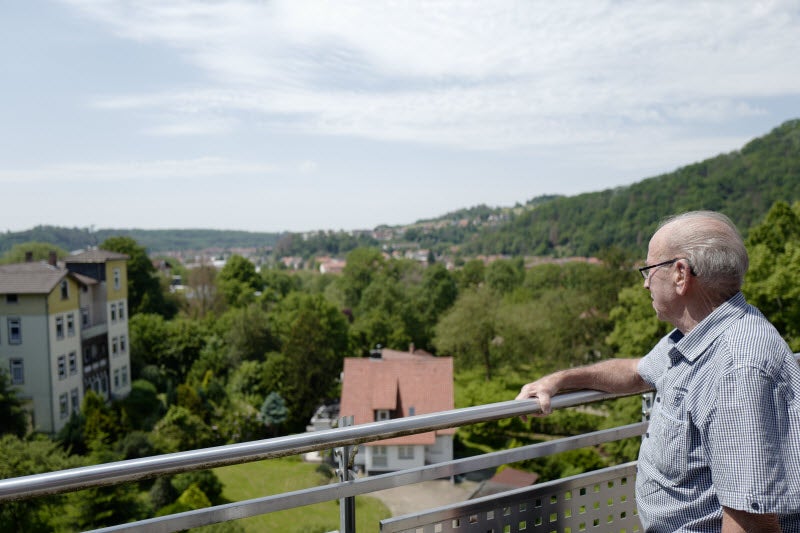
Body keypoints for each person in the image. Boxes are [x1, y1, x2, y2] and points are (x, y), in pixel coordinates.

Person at [515, 211, 800, 532]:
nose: (645, 283)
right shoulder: (695, 334)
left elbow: (752, 523)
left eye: (649, 270)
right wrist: (559, 380)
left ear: (680, 274)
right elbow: (636, 372)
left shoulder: (737, 369)